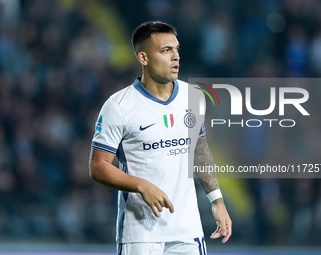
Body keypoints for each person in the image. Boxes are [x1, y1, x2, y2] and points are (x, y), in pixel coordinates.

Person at [89, 21, 232, 255]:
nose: (175, 56)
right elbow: (97, 166)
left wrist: (217, 201)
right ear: (143, 58)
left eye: (176, 49)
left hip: (187, 232)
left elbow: (199, 151)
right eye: (166, 50)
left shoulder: (193, 96)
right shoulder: (119, 106)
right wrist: (141, 185)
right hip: (140, 235)